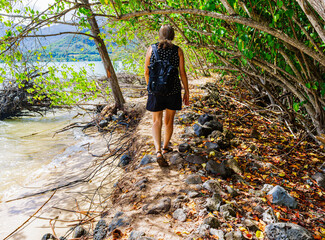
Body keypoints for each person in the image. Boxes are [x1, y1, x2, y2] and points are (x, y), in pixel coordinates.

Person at [144, 25, 190, 167]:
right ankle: (165, 147)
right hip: (173, 90)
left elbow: (146, 72)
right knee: (169, 121)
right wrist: (187, 91)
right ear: (173, 35)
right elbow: (182, 73)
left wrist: (151, 88)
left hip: (156, 91)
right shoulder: (178, 51)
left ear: (160, 35)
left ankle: (158, 151)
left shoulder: (152, 49)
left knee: (156, 121)